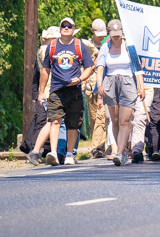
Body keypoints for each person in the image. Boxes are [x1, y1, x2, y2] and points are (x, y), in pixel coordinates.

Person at [29, 17, 95, 166]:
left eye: (69, 26)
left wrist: (80, 79)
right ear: (60, 29)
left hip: (75, 90)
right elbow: (45, 70)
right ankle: (53, 153)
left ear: (73, 29)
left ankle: (70, 154)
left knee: (73, 124)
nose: (66, 28)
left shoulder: (79, 45)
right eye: (63, 26)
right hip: (56, 90)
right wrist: (41, 92)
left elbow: (90, 66)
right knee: (54, 120)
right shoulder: (52, 46)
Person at [96, 19, 146, 166]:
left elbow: (137, 68)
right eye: (113, 34)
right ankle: (120, 150)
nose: (116, 37)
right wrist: (99, 86)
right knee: (115, 120)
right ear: (109, 33)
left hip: (127, 82)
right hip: (110, 82)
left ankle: (120, 153)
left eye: (118, 34)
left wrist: (141, 86)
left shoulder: (129, 47)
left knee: (125, 120)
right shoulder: (105, 47)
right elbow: (100, 68)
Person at [84, 18, 108, 158]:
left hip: (104, 86)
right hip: (89, 85)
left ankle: (97, 148)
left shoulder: (109, 44)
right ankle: (100, 147)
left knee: (101, 117)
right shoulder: (87, 46)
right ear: (92, 31)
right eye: (98, 33)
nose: (101, 36)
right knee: (94, 119)